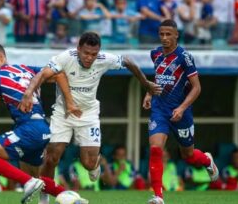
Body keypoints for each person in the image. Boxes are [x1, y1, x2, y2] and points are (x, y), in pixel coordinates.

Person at [19, 31, 162, 203]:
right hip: (62, 113)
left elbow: (128, 61)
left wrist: (146, 84)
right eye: (86, 53)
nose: (89, 58)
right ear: (78, 48)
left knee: (88, 162)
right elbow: (43, 74)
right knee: (51, 157)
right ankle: (44, 198)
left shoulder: (104, 59)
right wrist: (28, 93)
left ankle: (95, 164)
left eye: (93, 54)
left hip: (89, 115)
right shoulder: (65, 57)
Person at [0, 43, 87, 204]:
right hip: (43, 129)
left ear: (1, 57)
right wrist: (70, 102)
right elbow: (59, 74)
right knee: (37, 178)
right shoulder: (26, 69)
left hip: (29, 129)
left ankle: (28, 183)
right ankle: (71, 198)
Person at [142, 19, 219, 204]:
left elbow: (197, 87)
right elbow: (159, 75)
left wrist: (182, 107)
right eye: (161, 34)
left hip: (181, 112)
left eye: (168, 34)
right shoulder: (155, 54)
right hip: (159, 109)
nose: (164, 38)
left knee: (189, 156)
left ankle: (207, 161)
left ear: (176, 35)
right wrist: (149, 93)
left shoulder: (184, 57)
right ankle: (158, 196)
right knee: (155, 149)